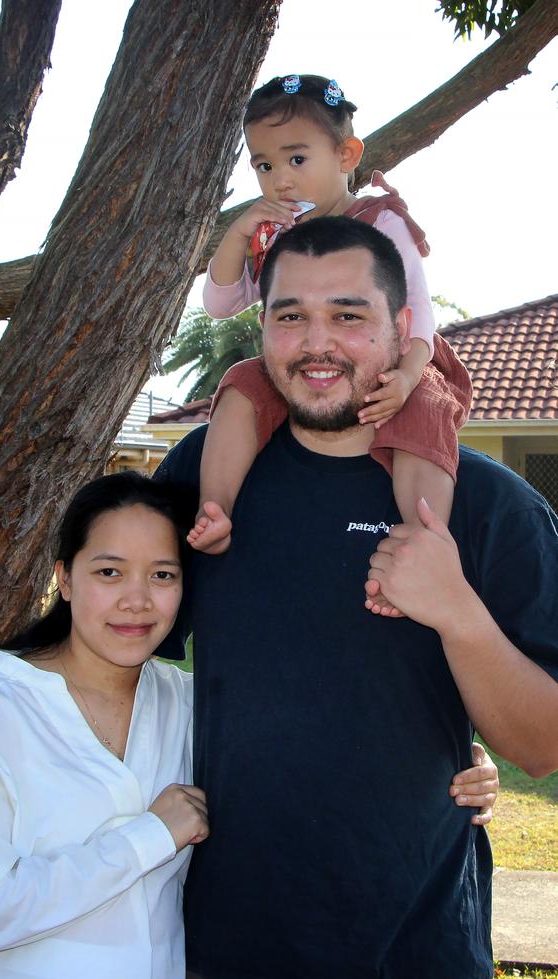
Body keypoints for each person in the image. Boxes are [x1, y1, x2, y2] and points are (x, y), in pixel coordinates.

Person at [153, 216, 557, 979]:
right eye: (290, 316)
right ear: (261, 327)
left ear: (402, 328)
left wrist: (458, 612)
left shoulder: (491, 506)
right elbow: (105, 634)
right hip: (226, 951)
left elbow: (542, 748)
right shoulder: (206, 481)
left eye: (349, 315)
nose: (317, 342)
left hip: (415, 956)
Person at [0, 472, 208, 979]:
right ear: (65, 579)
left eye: (162, 575)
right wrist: (151, 835)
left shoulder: (186, 704)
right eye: (110, 572)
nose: (137, 600)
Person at [188, 73, 471, 618]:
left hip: (404, 356)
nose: (280, 180)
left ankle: (419, 547)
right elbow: (222, 304)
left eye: (296, 160)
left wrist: (408, 376)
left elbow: (418, 316)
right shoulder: (273, 234)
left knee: (424, 409)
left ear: (346, 154)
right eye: (264, 166)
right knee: (241, 385)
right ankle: (216, 508)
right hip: (300, 368)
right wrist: (237, 233)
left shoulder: (380, 220)